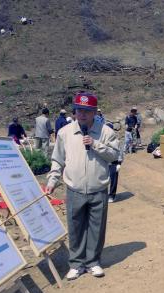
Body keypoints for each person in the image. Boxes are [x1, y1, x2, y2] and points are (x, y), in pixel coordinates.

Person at [46, 92, 120, 280]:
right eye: (79, 110)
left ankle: (93, 262)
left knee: (96, 227)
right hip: (74, 189)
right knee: (76, 226)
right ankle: (77, 263)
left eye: (87, 111)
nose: (83, 115)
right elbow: (57, 159)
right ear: (75, 111)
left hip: (98, 189)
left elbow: (114, 155)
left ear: (95, 111)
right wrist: (52, 180)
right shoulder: (65, 133)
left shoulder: (106, 132)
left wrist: (96, 144)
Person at [106, 122, 123, 203]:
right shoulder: (102, 139)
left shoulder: (116, 141)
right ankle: (104, 195)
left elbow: (120, 152)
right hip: (105, 163)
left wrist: (119, 164)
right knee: (103, 180)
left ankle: (112, 195)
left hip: (114, 163)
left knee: (113, 180)